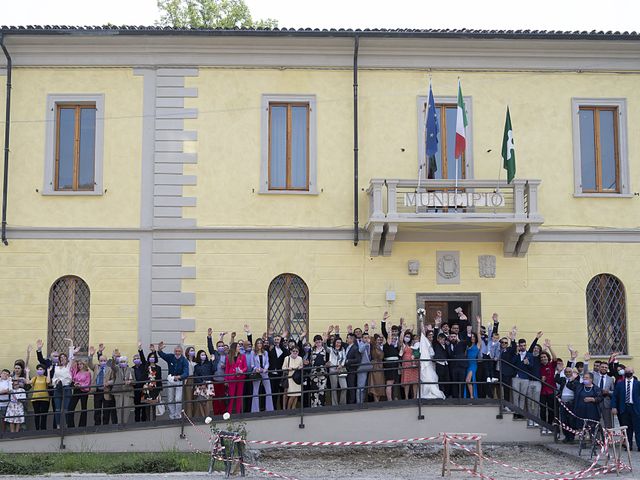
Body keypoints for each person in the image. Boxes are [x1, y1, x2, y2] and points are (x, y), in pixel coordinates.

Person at [157, 343, 189, 420]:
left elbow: (186, 372)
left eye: (179, 351)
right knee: (170, 399)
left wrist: (180, 376)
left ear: (181, 352)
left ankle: (178, 415)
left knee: (178, 399)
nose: (177, 352)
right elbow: (162, 355)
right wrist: (159, 349)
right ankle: (172, 415)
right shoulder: (171, 357)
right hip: (170, 380)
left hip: (179, 381)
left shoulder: (184, 360)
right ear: (174, 351)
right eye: (176, 351)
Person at [567, 371, 603, 440]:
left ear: (591, 379)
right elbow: (569, 385)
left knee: (592, 428)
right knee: (581, 427)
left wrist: (593, 399)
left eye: (586, 378)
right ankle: (582, 443)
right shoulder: (579, 386)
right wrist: (572, 378)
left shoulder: (596, 388)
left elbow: (600, 398)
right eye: (584, 378)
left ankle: (593, 442)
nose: (584, 379)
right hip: (580, 411)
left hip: (592, 412)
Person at [611, 367, 640, 451]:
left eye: (630, 371)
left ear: (633, 372)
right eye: (626, 371)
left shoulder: (638, 384)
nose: (628, 373)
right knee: (626, 429)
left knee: (638, 428)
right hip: (623, 409)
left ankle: (639, 445)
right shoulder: (620, 384)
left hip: (635, 408)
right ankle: (628, 445)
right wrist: (614, 407)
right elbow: (615, 396)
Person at [88, 347, 116, 425]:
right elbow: (89, 364)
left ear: (106, 361)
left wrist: (109, 383)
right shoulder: (96, 367)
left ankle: (105, 425)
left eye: (104, 361)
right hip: (97, 391)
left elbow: (114, 379)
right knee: (97, 410)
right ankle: (97, 424)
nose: (102, 362)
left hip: (106, 391)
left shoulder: (109, 369)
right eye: (101, 361)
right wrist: (91, 355)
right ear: (99, 361)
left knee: (106, 410)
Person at [418, 322, 445, 400]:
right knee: (427, 378)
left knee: (434, 378)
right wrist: (421, 320)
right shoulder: (424, 342)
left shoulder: (433, 344)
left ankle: (433, 392)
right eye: (429, 335)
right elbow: (422, 332)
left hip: (432, 364)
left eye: (432, 335)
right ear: (426, 336)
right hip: (426, 363)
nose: (431, 336)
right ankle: (426, 393)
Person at [510, 336, 533, 418]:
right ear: (519, 346)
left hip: (525, 378)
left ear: (526, 345)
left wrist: (528, 363)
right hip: (516, 377)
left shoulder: (530, 355)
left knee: (523, 396)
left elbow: (532, 367)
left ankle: (521, 413)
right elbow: (512, 363)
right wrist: (516, 354)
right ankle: (516, 412)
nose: (523, 347)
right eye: (521, 345)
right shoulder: (516, 354)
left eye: (524, 345)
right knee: (515, 395)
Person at [207, 329, 228, 415]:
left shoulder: (227, 355)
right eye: (219, 346)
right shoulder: (215, 353)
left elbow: (230, 367)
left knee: (223, 397)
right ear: (217, 347)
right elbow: (210, 347)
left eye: (222, 346)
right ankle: (216, 412)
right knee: (215, 397)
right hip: (215, 379)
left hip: (223, 380)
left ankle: (223, 412)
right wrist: (209, 337)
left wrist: (225, 366)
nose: (221, 347)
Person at [381, 312, 401, 401]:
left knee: (395, 382)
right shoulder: (387, 343)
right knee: (389, 382)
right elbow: (384, 331)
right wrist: (384, 320)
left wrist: (401, 326)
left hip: (396, 364)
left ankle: (395, 397)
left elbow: (401, 336)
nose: (393, 335)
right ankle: (389, 399)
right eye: (392, 332)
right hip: (389, 364)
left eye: (395, 332)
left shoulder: (397, 342)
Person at [67, 358, 92, 428]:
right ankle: (71, 426)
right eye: (78, 364)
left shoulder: (88, 373)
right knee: (70, 407)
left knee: (83, 408)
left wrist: (80, 385)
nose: (79, 365)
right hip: (76, 390)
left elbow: (87, 383)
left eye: (81, 364)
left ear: (84, 364)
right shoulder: (76, 371)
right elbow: (72, 374)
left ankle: (82, 426)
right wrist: (75, 384)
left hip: (84, 391)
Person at [251, 339, 273, 412]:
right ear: (256, 344)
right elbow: (252, 364)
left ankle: (269, 409)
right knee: (255, 391)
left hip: (264, 372)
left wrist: (265, 369)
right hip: (257, 373)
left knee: (268, 391)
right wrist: (256, 368)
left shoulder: (265, 352)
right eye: (258, 343)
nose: (259, 344)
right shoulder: (253, 353)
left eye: (260, 343)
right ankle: (255, 410)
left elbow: (267, 362)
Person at [224, 342, 247, 414]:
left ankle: (238, 412)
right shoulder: (228, 357)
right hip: (232, 378)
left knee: (239, 395)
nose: (239, 348)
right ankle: (229, 412)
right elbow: (227, 369)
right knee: (231, 395)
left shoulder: (242, 356)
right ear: (234, 348)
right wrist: (226, 380)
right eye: (238, 347)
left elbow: (245, 367)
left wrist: (241, 371)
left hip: (240, 377)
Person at [193, 349, 216, 418]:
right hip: (200, 384)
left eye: (205, 355)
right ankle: (203, 416)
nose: (204, 356)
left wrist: (212, 361)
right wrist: (201, 383)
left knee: (207, 401)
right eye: (202, 355)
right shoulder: (196, 366)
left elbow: (213, 371)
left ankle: (207, 416)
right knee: (200, 401)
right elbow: (195, 375)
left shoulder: (209, 363)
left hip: (208, 384)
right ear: (199, 356)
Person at [268, 333, 288, 410]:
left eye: (278, 339)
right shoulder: (271, 349)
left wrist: (281, 345)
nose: (276, 341)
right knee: (273, 392)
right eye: (275, 339)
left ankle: (283, 408)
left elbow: (287, 354)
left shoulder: (284, 349)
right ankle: (273, 408)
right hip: (272, 374)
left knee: (282, 392)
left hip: (281, 374)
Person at [592, 361, 615, 428]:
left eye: (606, 367)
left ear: (607, 369)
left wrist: (608, 392)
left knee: (608, 422)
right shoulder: (593, 376)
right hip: (595, 401)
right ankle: (596, 437)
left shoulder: (611, 379)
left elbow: (613, 392)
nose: (604, 368)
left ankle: (608, 437)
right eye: (602, 367)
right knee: (595, 421)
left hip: (606, 402)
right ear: (599, 367)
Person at [113, 356, 135, 424]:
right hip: (118, 392)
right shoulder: (117, 369)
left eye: (124, 362)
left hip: (128, 392)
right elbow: (112, 366)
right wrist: (114, 358)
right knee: (119, 409)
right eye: (121, 362)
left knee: (126, 409)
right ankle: (119, 424)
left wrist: (130, 382)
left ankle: (125, 424)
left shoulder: (131, 370)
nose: (123, 363)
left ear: (127, 362)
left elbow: (134, 381)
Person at [28, 364, 50, 430]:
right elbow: (28, 382)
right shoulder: (35, 378)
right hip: (35, 399)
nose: (39, 371)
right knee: (37, 414)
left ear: (44, 370)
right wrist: (27, 372)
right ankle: (37, 429)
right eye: (38, 369)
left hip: (45, 399)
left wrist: (48, 372)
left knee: (44, 415)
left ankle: (43, 429)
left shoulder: (45, 377)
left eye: (41, 369)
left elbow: (48, 381)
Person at [310, 335, 329, 407]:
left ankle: (321, 406)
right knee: (314, 390)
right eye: (316, 342)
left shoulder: (325, 349)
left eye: (319, 342)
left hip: (323, 373)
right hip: (314, 373)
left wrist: (325, 340)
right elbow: (309, 359)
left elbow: (330, 353)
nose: (318, 343)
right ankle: (314, 406)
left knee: (322, 390)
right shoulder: (312, 350)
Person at [132, 343, 150, 422]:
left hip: (144, 389)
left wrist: (140, 349)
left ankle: (144, 421)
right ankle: (137, 421)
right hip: (136, 389)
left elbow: (143, 359)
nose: (136, 360)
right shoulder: (132, 368)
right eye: (135, 359)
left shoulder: (144, 366)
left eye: (137, 358)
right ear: (133, 361)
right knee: (137, 407)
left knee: (144, 407)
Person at [399, 328, 419, 400]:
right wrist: (403, 331)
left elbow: (417, 351)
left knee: (415, 381)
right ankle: (406, 397)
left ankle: (414, 397)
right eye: (406, 336)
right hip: (406, 364)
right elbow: (400, 341)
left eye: (409, 337)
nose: (407, 338)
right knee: (406, 381)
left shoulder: (413, 344)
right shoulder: (403, 345)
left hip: (414, 363)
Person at [327, 337, 347, 406]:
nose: (339, 344)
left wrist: (341, 365)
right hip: (332, 370)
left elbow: (344, 358)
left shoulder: (342, 349)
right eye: (337, 342)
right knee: (334, 388)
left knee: (344, 387)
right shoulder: (331, 349)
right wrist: (325, 338)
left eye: (340, 343)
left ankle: (342, 404)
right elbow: (325, 348)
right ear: (335, 342)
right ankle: (334, 404)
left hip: (340, 369)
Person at [368, 331, 386, 402]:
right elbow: (371, 339)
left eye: (380, 339)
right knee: (374, 385)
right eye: (378, 339)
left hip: (381, 367)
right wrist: (373, 329)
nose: (379, 340)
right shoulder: (373, 346)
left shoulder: (382, 346)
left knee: (380, 385)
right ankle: (376, 401)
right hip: (375, 366)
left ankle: (377, 400)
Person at [344, 333, 361, 404]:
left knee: (351, 386)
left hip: (352, 369)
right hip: (346, 369)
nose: (346, 339)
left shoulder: (355, 348)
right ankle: (348, 401)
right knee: (347, 386)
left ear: (351, 339)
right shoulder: (347, 347)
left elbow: (358, 359)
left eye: (347, 338)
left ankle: (352, 402)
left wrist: (348, 361)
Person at [356, 333, 372, 404]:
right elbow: (360, 350)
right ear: (362, 338)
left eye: (367, 337)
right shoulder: (361, 344)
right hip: (362, 368)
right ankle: (359, 403)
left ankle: (363, 401)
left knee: (365, 387)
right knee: (360, 387)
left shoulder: (368, 345)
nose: (366, 339)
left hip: (368, 367)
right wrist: (366, 344)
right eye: (365, 338)